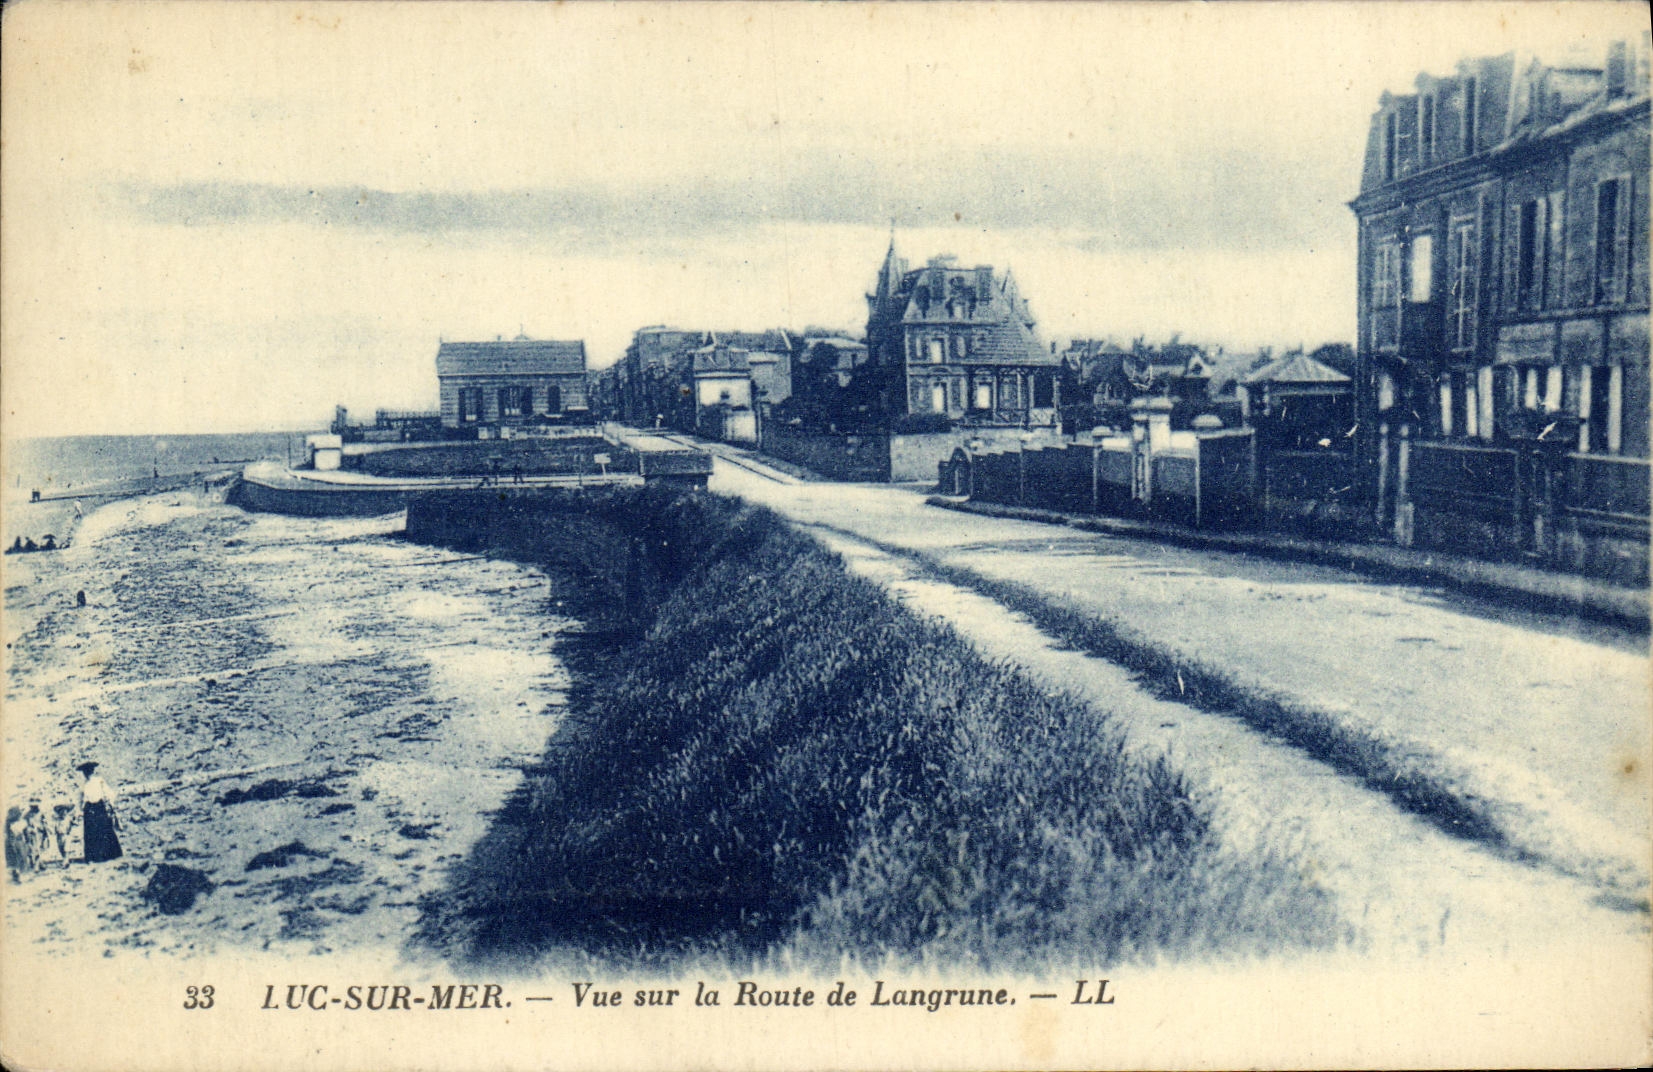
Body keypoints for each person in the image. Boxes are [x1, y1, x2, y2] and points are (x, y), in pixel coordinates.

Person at [76, 762, 122, 863]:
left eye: (88, 771)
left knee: (104, 829)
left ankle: (109, 855)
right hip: (89, 809)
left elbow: (109, 792)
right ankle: (93, 857)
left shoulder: (99, 781)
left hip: (99, 807)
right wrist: (80, 809)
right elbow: (79, 798)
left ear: (92, 770)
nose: (86, 773)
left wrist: (110, 804)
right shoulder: (83, 785)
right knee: (90, 832)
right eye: (85, 772)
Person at [5, 805, 30, 881]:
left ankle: (15, 873)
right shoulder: (22, 823)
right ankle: (20, 874)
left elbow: (7, 833)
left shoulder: (8, 823)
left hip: (10, 842)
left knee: (14, 858)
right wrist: (28, 841)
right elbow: (26, 833)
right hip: (19, 841)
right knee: (22, 857)